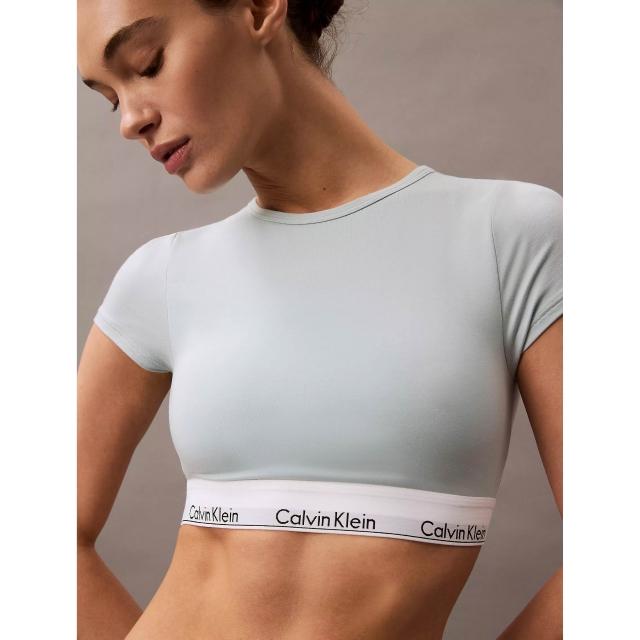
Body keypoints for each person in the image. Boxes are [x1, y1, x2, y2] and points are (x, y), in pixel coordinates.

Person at [77, 1, 563, 638]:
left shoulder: (509, 239)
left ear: (258, 9)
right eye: (110, 98)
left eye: (147, 63)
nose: (131, 120)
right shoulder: (162, 276)